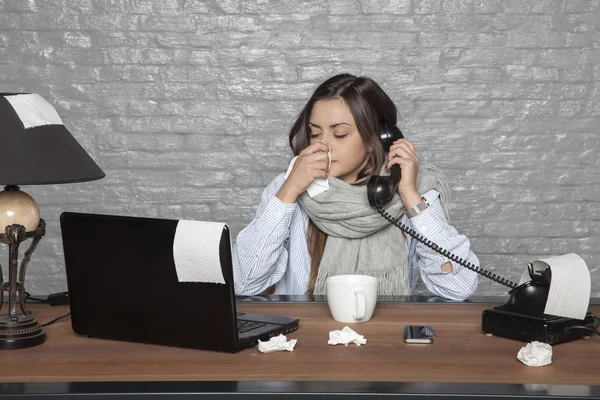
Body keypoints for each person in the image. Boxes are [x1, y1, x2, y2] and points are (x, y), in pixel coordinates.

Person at [233, 73, 479, 300]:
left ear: (379, 136)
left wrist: (410, 195)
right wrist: (287, 193)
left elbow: (458, 288)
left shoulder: (413, 189)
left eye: (339, 134)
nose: (324, 145)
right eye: (315, 133)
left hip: (387, 340)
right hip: (305, 340)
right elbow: (244, 284)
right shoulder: (288, 187)